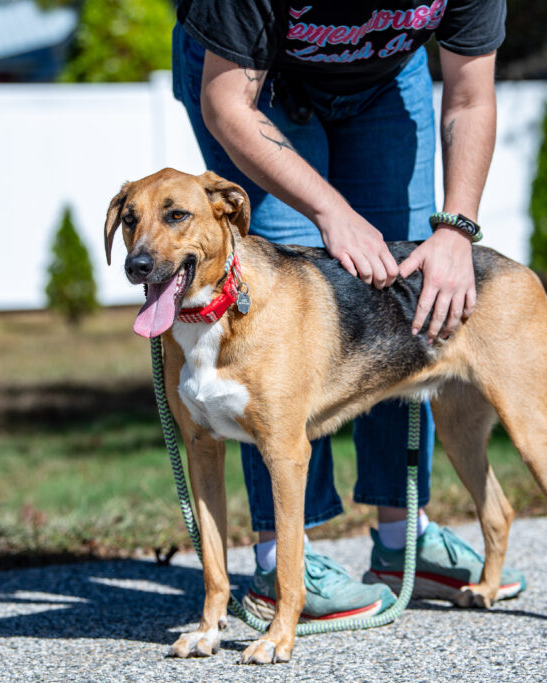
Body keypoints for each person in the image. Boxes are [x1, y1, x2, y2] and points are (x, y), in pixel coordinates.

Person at [171, 0, 525, 619]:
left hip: (384, 81)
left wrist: (456, 230)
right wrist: (330, 213)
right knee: (278, 305)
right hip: (253, 84)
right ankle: (284, 559)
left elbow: (470, 96)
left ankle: (399, 534)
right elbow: (229, 103)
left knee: (402, 296)